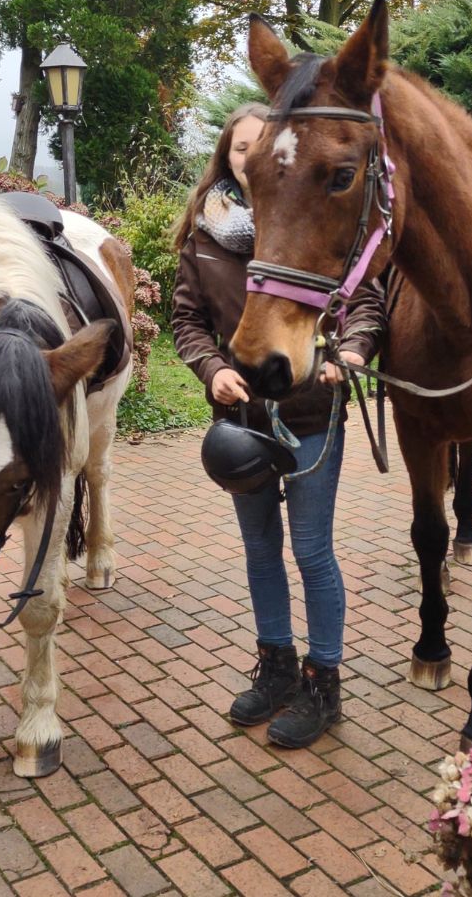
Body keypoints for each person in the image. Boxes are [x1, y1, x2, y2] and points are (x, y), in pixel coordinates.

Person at [171, 102, 383, 749]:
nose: (250, 155)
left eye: (261, 144)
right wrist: (211, 371)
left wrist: (350, 354)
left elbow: (366, 300)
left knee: (312, 550)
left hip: (311, 413)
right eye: (240, 147)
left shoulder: (311, 220)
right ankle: (276, 665)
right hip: (241, 424)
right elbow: (187, 321)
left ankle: (322, 681)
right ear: (230, 157)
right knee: (261, 549)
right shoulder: (206, 234)